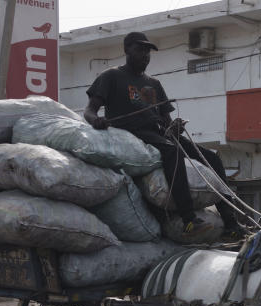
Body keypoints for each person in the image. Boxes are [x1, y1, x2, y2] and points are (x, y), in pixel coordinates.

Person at [84, 31, 242, 241]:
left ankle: (230, 221)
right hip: (131, 132)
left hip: (158, 133)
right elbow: (89, 110)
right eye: (140, 50)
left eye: (148, 51)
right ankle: (188, 220)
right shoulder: (111, 76)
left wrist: (175, 127)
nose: (145, 55)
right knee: (171, 151)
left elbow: (167, 121)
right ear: (126, 50)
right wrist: (96, 121)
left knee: (212, 158)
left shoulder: (154, 84)